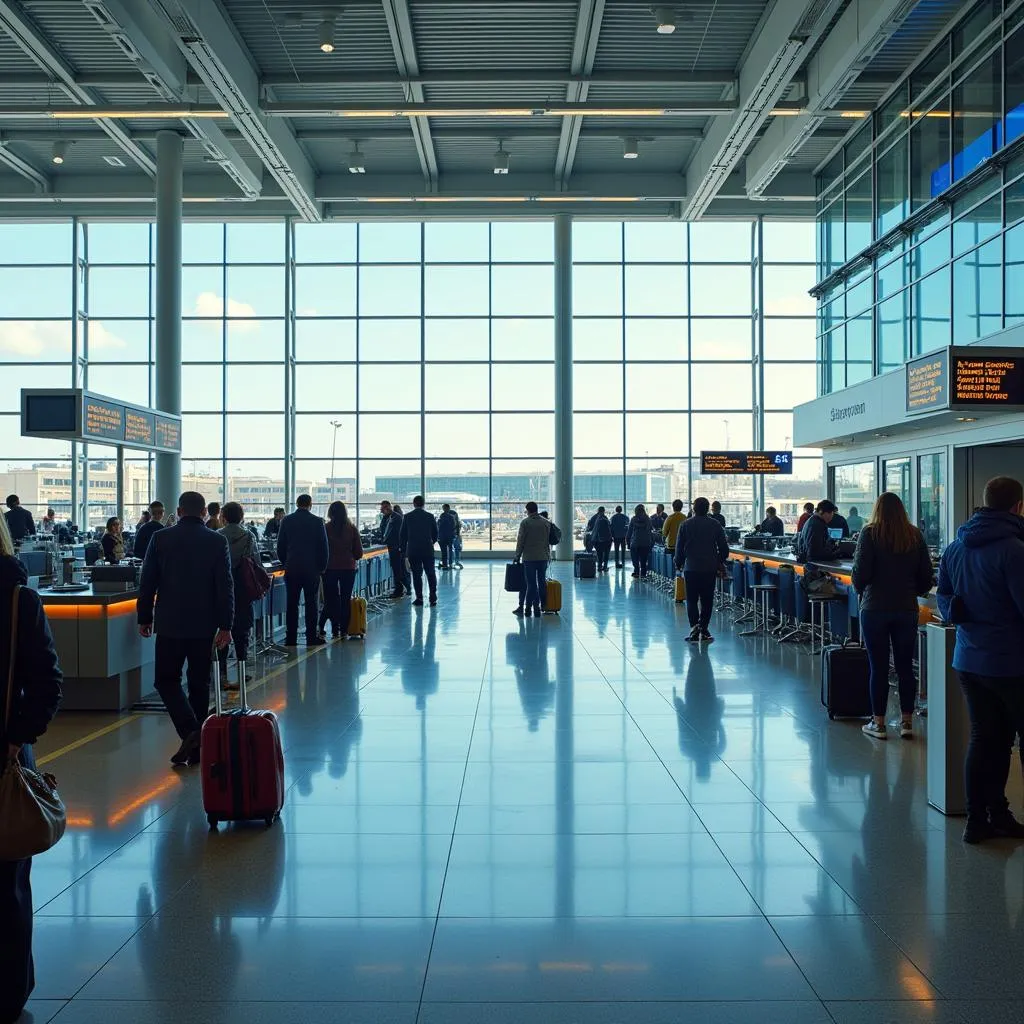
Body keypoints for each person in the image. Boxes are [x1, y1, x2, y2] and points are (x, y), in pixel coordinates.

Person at [937, 476, 1024, 844]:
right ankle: (996, 815)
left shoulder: (956, 547)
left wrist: (962, 612)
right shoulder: (1014, 550)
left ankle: (982, 819)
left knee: (986, 740)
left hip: (968, 659)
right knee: (1005, 742)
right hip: (1011, 662)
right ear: (1017, 506)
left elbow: (943, 598)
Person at [0, 515, 62, 1024]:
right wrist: (18, 737)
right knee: (8, 884)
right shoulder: (17, 598)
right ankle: (8, 993)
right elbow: (46, 683)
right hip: (4, 760)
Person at [137, 491, 233, 767]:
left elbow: (148, 581)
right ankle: (198, 742)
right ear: (204, 513)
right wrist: (226, 624)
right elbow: (225, 587)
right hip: (204, 624)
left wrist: (144, 616)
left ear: (178, 512)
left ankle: (190, 731)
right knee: (199, 683)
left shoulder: (161, 538)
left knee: (166, 680)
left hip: (169, 622)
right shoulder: (217, 541)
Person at [852, 492, 933, 743]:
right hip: (906, 609)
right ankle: (907, 721)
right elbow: (926, 575)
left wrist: (860, 588)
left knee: (878, 668)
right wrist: (914, 592)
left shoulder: (870, 533)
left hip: (874, 607)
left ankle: (879, 723)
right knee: (905, 667)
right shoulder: (914, 535)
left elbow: (860, 572)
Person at [675, 496, 729, 643]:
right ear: (708, 509)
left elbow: (679, 548)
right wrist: (718, 560)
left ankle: (694, 628)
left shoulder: (685, 525)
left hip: (691, 568)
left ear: (693, 508)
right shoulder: (715, 524)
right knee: (707, 600)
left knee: (691, 600)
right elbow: (724, 549)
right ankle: (704, 629)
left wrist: (678, 563)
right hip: (709, 568)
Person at [277, 494, 329, 646]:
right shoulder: (317, 522)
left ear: (297, 504)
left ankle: (291, 637)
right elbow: (323, 547)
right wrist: (322, 567)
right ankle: (311, 637)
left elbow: (280, 546)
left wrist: (285, 562)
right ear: (310, 505)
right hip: (311, 570)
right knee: (311, 604)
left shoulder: (286, 520)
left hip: (292, 568)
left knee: (291, 604)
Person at [217, 502, 256, 684]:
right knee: (242, 632)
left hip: (222, 588)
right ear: (241, 516)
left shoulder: (217, 536)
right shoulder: (249, 536)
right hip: (243, 587)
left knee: (223, 629)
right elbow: (255, 563)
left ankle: (222, 673)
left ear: (223, 516)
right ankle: (241, 670)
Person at [323, 500, 363, 639]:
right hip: (348, 568)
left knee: (331, 599)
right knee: (345, 599)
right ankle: (344, 630)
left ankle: (334, 629)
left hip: (330, 569)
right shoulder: (352, 529)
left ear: (330, 512)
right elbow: (359, 553)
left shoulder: (325, 528)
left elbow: (321, 549)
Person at [400, 495, 439, 607]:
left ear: (414, 504)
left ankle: (419, 598)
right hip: (427, 549)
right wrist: (431, 542)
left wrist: (404, 550)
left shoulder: (407, 517)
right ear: (423, 504)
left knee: (417, 575)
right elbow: (436, 533)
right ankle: (433, 597)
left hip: (413, 550)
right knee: (430, 573)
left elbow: (402, 536)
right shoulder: (430, 516)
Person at [514, 501, 551, 618]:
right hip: (543, 557)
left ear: (528, 510)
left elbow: (521, 541)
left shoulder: (525, 523)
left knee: (531, 584)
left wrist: (517, 555)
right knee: (541, 582)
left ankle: (528, 608)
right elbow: (548, 541)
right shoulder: (546, 522)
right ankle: (539, 607)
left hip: (529, 558)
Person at [380, 500, 405, 599]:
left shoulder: (396, 518)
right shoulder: (387, 517)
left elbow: (399, 534)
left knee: (397, 569)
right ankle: (399, 588)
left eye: (382, 509)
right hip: (391, 546)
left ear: (387, 508)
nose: (381, 511)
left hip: (395, 547)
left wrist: (399, 547)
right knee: (395, 568)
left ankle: (399, 590)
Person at [626, 504, 654, 578]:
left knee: (635, 558)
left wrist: (628, 542)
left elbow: (629, 532)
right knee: (644, 559)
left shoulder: (633, 519)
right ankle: (643, 573)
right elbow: (651, 530)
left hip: (635, 542)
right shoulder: (648, 519)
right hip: (646, 543)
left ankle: (636, 571)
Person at [591, 506, 613, 572]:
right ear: (604, 511)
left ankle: (599, 567)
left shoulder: (594, 518)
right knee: (606, 553)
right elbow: (610, 528)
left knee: (599, 554)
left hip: (597, 540)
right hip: (607, 540)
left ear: (598, 510)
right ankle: (605, 566)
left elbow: (591, 527)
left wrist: (592, 538)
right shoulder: (605, 518)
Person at [437, 503, 457, 571]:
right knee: (450, 550)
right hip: (450, 536)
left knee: (444, 551)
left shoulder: (441, 516)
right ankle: (450, 563)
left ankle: (445, 564)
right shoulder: (451, 517)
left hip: (442, 536)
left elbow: (439, 527)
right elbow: (453, 527)